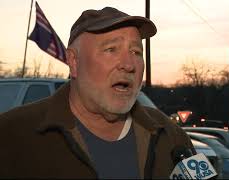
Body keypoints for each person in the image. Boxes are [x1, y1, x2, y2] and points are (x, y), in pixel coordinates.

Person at [0, 7, 194, 178]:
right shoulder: (11, 135)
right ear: (74, 62)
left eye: (136, 52)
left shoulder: (171, 136)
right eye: (111, 50)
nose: (128, 65)